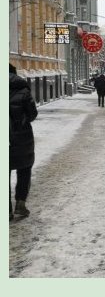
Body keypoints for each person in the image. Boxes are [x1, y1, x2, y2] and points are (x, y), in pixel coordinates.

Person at [9, 63, 38, 220]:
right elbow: (32, 114)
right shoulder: (23, 90)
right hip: (22, 138)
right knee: (24, 169)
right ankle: (20, 203)